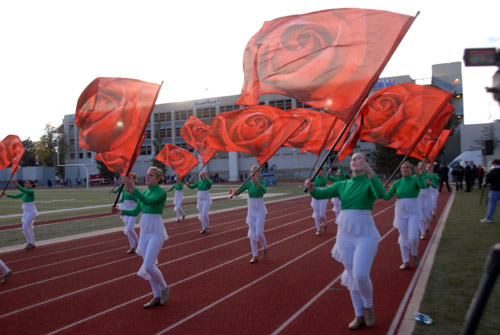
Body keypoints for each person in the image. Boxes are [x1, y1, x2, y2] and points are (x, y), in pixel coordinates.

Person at [305, 153, 385, 330]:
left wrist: (370, 173)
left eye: (361, 159)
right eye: (354, 159)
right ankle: (358, 314)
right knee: (350, 274)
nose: (357, 161)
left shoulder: (369, 182)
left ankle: (369, 306)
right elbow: (320, 194)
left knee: (360, 274)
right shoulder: (343, 184)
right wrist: (311, 188)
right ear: (350, 165)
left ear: (365, 164)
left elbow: (382, 194)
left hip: (365, 233)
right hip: (345, 234)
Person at [112, 167, 170, 308]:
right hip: (144, 231)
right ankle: (156, 295)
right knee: (148, 265)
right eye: (147, 175)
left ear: (158, 178)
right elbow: (134, 212)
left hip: (156, 231)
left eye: (151, 176)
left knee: (149, 265)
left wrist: (132, 187)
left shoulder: (161, 192)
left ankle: (164, 288)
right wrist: (120, 210)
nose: (147, 177)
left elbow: (148, 201)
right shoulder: (145, 192)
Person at [383, 162, 424, 270]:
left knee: (413, 237)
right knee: (403, 238)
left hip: (413, 212)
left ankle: (414, 253)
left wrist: (419, 176)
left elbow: (423, 186)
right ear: (400, 170)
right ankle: (405, 260)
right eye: (402, 167)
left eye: (407, 167)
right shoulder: (397, 183)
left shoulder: (415, 180)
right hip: (401, 212)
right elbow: (387, 197)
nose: (405, 169)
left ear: (411, 170)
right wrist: (380, 191)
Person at [233, 165, 268, 264]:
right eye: (251, 171)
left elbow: (264, 191)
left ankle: (265, 248)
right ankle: (255, 255)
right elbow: (239, 191)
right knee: (252, 234)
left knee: (259, 233)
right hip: (251, 209)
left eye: (254, 171)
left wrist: (258, 184)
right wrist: (235, 192)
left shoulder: (262, 182)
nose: (252, 173)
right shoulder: (248, 183)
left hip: (260, 209)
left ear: (258, 173)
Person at [2, 179, 38, 249]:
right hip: (26, 212)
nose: (26, 184)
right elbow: (16, 196)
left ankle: (29, 242)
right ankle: (32, 243)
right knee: (29, 227)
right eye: (25, 183)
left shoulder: (31, 191)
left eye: (27, 183)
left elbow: (24, 190)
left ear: (31, 185)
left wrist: (16, 185)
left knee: (24, 227)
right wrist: (7, 195)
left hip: (31, 212)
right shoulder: (25, 192)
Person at [114, 173, 139, 254]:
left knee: (129, 228)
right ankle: (132, 247)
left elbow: (139, 201)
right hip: (126, 210)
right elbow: (123, 200)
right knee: (128, 230)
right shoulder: (124, 189)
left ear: (132, 180)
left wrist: (132, 194)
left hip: (134, 210)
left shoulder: (135, 189)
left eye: (129, 178)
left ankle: (138, 243)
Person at [310, 167, 329, 235]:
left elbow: (324, 182)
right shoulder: (313, 178)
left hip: (323, 196)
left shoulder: (324, 178)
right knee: (316, 215)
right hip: (315, 197)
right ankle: (318, 229)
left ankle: (325, 224)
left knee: (322, 215)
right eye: (316, 170)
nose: (318, 171)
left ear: (321, 171)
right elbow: (310, 187)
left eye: (319, 170)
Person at [481, 159, 500, 223]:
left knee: (492, 204)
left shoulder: (493, 171)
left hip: (495, 190)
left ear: (495, 164)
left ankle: (488, 218)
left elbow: (488, 180)